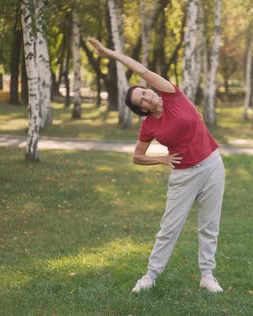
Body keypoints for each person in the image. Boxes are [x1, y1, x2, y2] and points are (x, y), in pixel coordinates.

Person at [88, 38, 226, 294]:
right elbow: (137, 157)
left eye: (143, 91)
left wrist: (110, 53)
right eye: (140, 100)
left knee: (209, 225)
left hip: (212, 165)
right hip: (184, 175)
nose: (146, 97)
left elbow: (142, 70)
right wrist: (161, 159)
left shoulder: (172, 94)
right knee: (169, 228)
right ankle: (150, 276)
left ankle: (207, 275)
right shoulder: (149, 126)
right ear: (141, 108)